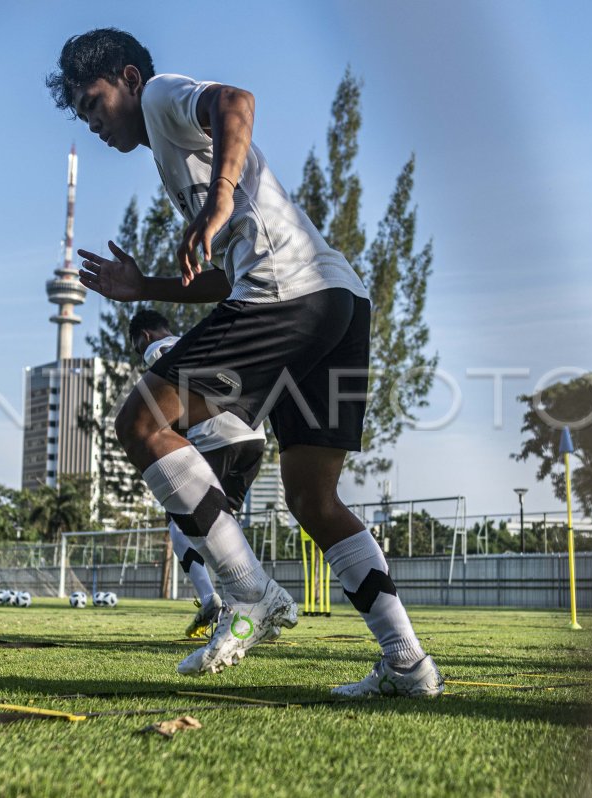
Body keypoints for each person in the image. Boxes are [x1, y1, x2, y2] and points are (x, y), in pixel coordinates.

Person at [48, 29, 441, 697]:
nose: (94, 121)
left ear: (130, 78)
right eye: (83, 114)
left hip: (287, 294)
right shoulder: (174, 154)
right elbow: (220, 281)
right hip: (338, 301)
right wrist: (144, 286)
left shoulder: (165, 98)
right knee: (313, 499)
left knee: (141, 425)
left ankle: (249, 592)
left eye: (94, 101)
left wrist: (219, 196)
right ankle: (408, 663)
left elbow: (237, 99)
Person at [130, 308, 267, 638]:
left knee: (182, 519)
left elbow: (168, 405)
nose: (140, 352)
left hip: (216, 435)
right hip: (255, 434)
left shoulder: (158, 349)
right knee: (224, 523)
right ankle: (245, 607)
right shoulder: (200, 339)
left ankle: (211, 601)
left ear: (144, 336)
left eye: (136, 346)